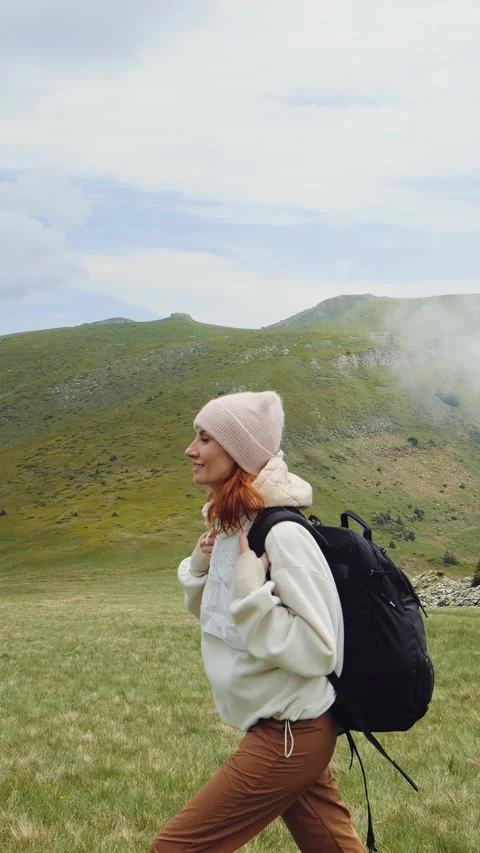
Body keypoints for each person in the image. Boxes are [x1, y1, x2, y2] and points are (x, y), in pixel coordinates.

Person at [151, 391, 365, 852]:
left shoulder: (283, 534)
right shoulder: (232, 527)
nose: (191, 449)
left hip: (291, 732)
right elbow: (219, 621)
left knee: (176, 849)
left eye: (205, 438)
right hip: (281, 726)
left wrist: (251, 594)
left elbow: (318, 648)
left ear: (239, 453)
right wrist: (203, 567)